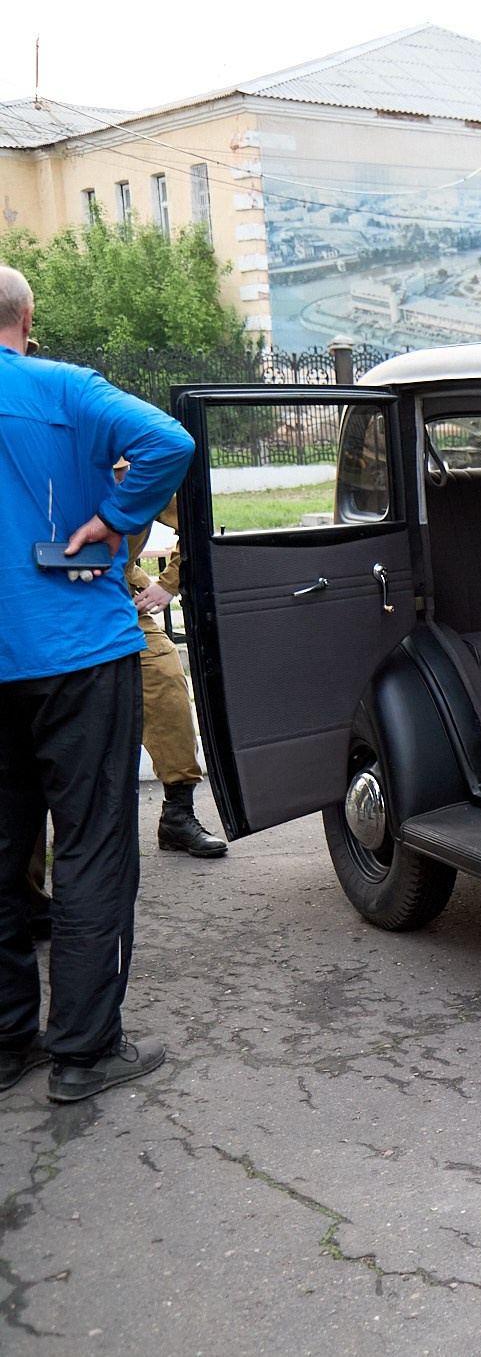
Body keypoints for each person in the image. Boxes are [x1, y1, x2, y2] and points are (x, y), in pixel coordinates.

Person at [0, 265, 194, 1101]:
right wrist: (112, 520)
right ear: (27, 315)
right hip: (78, 651)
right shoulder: (62, 387)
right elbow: (171, 443)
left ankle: (7, 1041)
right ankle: (83, 1049)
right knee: (92, 846)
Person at [125, 499, 229, 858]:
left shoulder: (132, 461)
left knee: (166, 677)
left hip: (117, 598)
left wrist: (170, 582)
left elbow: (195, 519)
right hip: (41, 599)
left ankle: (177, 814)